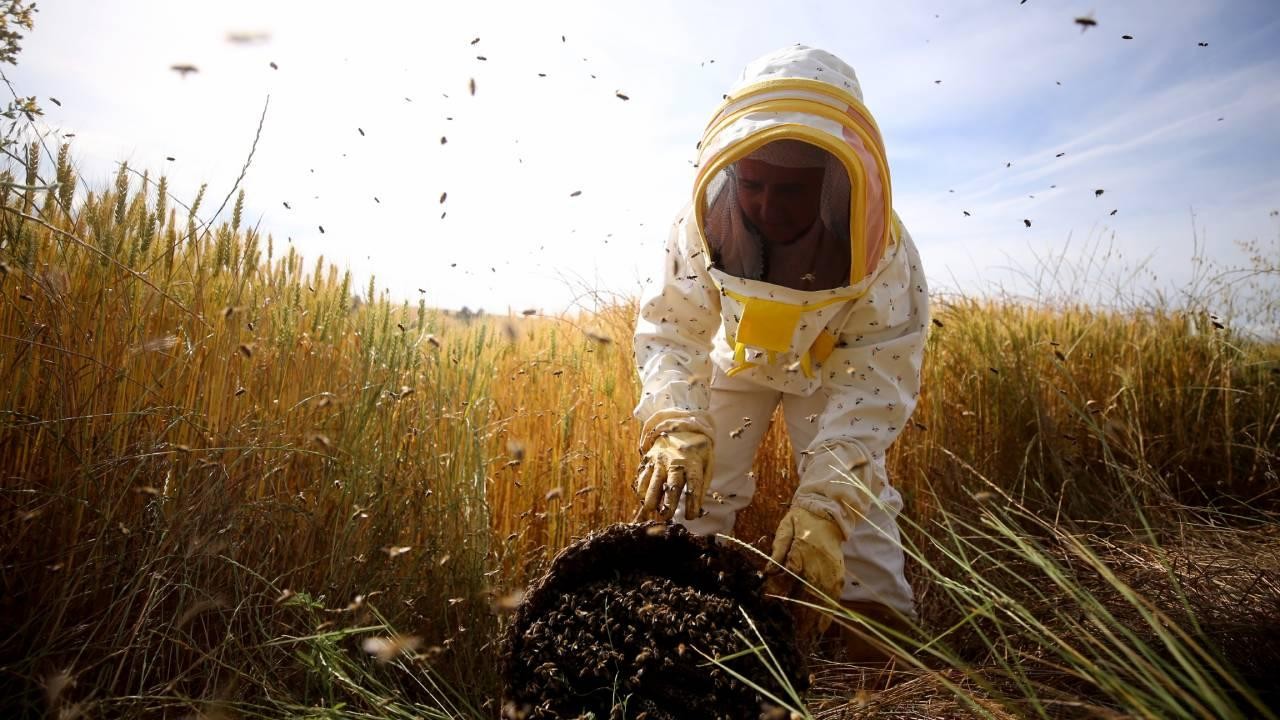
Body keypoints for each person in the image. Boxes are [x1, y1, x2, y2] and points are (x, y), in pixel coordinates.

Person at [631, 45, 930, 661]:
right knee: (696, 496)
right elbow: (672, 328)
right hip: (735, 360)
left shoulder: (887, 254)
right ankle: (677, 649)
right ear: (731, 173)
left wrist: (826, 506)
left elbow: (874, 388)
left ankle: (888, 668)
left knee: (858, 517)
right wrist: (678, 422)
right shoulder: (699, 225)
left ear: (834, 186)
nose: (767, 208)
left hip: (831, 373)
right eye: (755, 185)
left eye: (793, 190)